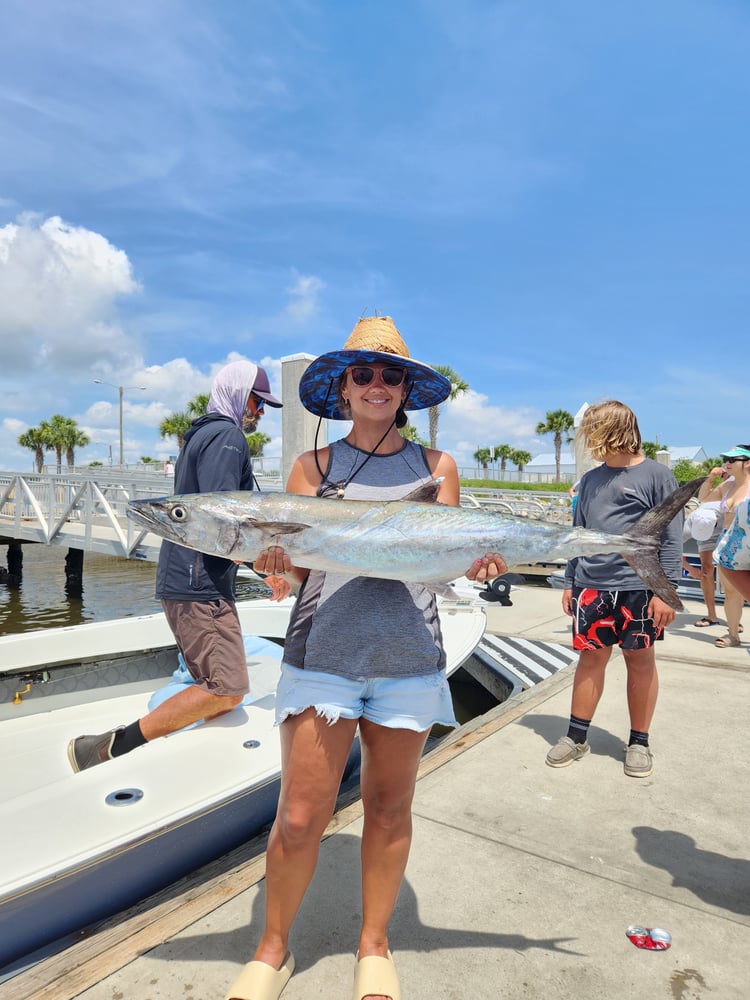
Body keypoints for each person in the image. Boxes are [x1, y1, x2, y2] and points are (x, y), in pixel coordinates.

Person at [223, 316, 507, 1000]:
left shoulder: (437, 469)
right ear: (342, 388)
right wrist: (274, 567)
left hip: (410, 655)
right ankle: (272, 947)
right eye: (363, 374)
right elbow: (291, 578)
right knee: (298, 816)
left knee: (388, 809)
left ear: (405, 389)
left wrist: (483, 565)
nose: (377, 385)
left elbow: (447, 569)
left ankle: (374, 945)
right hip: (324, 654)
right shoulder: (309, 469)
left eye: (390, 375)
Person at [67, 360, 287, 772]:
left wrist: (259, 569)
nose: (259, 412)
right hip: (199, 584)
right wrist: (265, 567)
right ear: (239, 394)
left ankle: (202, 761)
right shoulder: (227, 436)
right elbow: (224, 520)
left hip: (185, 579)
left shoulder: (200, 435)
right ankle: (106, 748)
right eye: (257, 402)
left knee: (221, 687)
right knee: (227, 688)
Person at [545, 400, 682, 779]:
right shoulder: (590, 480)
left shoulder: (657, 476)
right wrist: (572, 580)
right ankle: (576, 736)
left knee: (641, 662)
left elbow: (670, 538)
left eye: (593, 430)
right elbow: (578, 536)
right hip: (592, 587)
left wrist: (665, 591)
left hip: (641, 588)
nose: (587, 439)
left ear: (612, 430)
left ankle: (639, 741)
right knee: (590, 660)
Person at [696, 445, 750, 648]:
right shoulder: (728, 486)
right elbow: (703, 499)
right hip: (729, 542)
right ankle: (733, 634)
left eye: (732, 459)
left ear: (747, 462)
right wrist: (710, 479)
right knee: (732, 592)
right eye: (726, 458)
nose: (727, 462)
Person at [681, 500, 722, 627]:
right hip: (708, 537)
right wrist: (690, 568)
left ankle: (734, 620)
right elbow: (671, 549)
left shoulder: (727, 511)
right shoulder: (690, 523)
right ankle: (712, 616)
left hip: (727, 528)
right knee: (706, 570)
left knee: (731, 571)